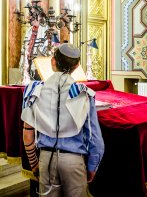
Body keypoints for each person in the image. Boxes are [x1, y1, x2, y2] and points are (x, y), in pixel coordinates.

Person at [21, 43, 105, 196]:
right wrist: (92, 167)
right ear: (77, 65)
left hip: (46, 159)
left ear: (53, 61)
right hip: (73, 162)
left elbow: (28, 135)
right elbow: (95, 139)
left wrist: (34, 164)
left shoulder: (34, 90)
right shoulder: (83, 94)